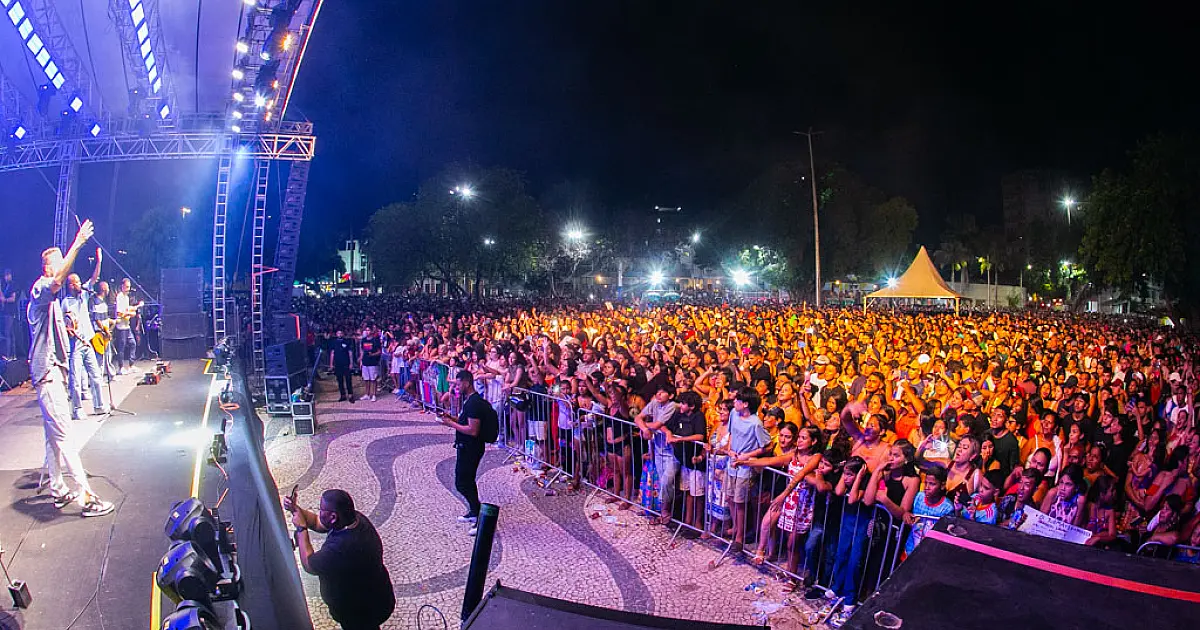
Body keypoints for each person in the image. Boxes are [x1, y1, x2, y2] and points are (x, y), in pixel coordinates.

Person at [27, 220, 113, 517]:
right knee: (65, 434)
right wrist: (77, 243)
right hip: (47, 375)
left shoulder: (55, 301)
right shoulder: (40, 290)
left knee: (53, 436)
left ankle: (58, 489)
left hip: (53, 374)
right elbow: (56, 282)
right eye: (59, 263)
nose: (64, 269)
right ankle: (86, 497)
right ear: (48, 268)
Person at [286, 489, 395, 630]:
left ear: (333, 517)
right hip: (376, 596)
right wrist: (296, 510)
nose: (318, 512)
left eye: (321, 509)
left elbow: (309, 564)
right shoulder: (355, 519)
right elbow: (318, 523)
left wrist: (301, 530)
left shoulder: (341, 548)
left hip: (360, 612)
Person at [438, 369, 494, 535]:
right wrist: (451, 418)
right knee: (466, 481)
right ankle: (474, 511)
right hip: (465, 447)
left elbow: (472, 430)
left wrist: (450, 424)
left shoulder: (474, 403)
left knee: (462, 482)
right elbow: (466, 421)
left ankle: (478, 513)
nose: (456, 387)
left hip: (471, 448)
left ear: (467, 382)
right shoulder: (470, 401)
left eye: (458, 383)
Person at [61, 257, 108, 419]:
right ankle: (77, 409)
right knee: (75, 378)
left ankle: (99, 405)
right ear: (71, 285)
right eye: (77, 282)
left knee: (95, 375)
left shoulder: (84, 296)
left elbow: (94, 278)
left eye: (80, 282)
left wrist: (99, 262)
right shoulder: (66, 302)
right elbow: (62, 323)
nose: (80, 284)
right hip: (75, 345)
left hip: (87, 342)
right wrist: (68, 329)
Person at [112, 278, 140, 375]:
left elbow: (127, 309)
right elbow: (119, 313)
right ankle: (121, 367)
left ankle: (131, 365)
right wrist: (130, 314)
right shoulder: (119, 297)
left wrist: (134, 308)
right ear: (122, 286)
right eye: (127, 287)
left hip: (127, 326)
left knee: (133, 343)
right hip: (121, 327)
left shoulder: (126, 298)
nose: (128, 289)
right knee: (122, 347)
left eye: (129, 287)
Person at [328, 329, 357, 403]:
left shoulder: (347, 342)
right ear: (336, 334)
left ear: (343, 334)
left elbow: (350, 353)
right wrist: (331, 364)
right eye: (338, 333)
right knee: (340, 380)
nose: (340, 334)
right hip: (337, 364)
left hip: (346, 363)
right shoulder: (333, 342)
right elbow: (332, 353)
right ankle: (343, 395)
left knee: (348, 380)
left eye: (341, 333)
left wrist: (351, 363)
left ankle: (350, 395)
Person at [360, 326, 382, 401]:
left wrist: (372, 355)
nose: (367, 332)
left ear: (372, 331)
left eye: (368, 330)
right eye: (366, 330)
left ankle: (374, 394)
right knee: (366, 379)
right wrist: (360, 360)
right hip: (365, 361)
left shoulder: (375, 340)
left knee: (373, 379)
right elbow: (362, 351)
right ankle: (367, 394)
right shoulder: (363, 340)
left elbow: (379, 351)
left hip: (373, 362)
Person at [1, 267, 17, 357]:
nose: (5, 277)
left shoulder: (12, 285)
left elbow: (13, 298)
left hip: (10, 313)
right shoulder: (7, 286)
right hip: (7, 312)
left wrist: (5, 300)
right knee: (11, 333)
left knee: (8, 333)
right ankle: (12, 355)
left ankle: (8, 355)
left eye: (7, 275)